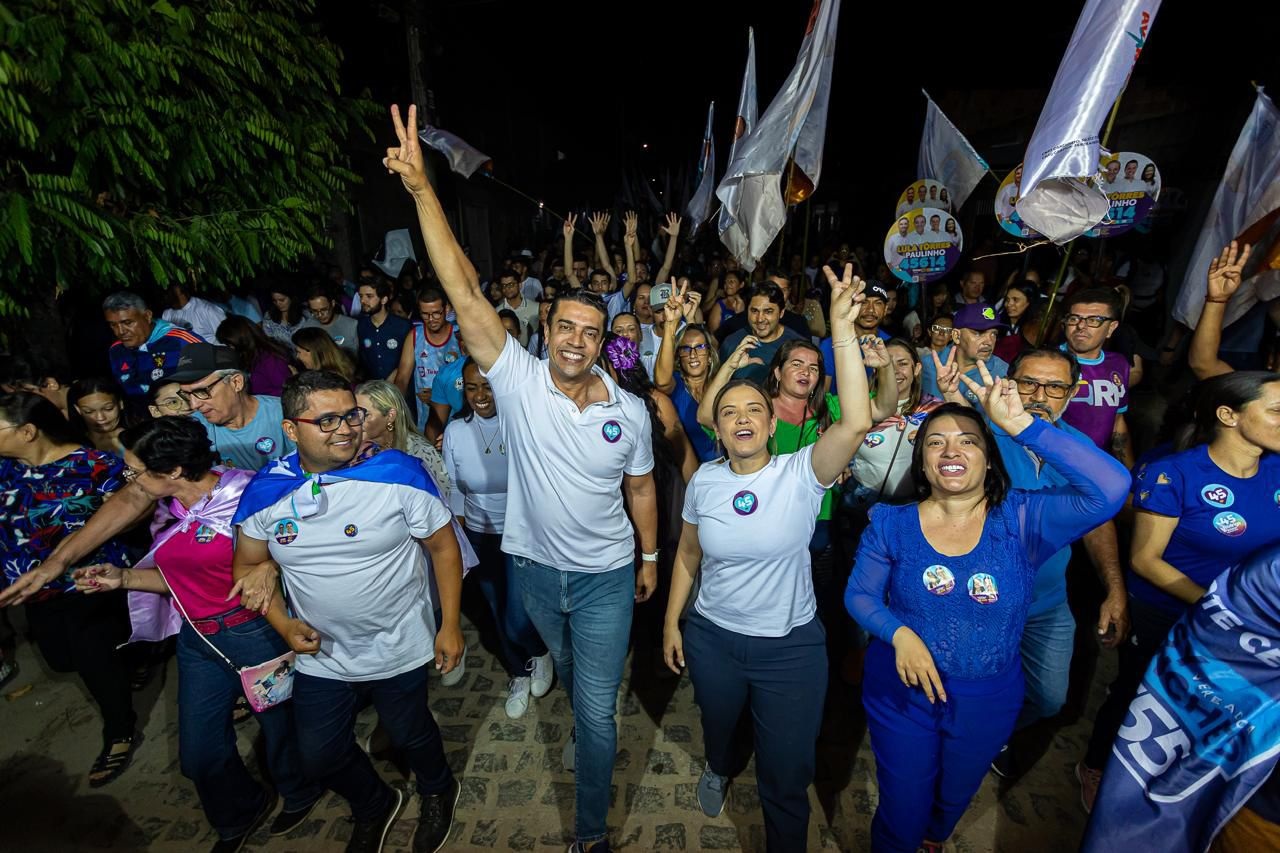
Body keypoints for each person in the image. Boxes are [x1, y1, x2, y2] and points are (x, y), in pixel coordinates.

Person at [384, 103, 659, 853]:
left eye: (590, 331)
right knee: (570, 677)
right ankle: (576, 703)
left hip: (605, 574)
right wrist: (421, 191)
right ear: (545, 332)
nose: (575, 339)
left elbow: (641, 489)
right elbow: (465, 291)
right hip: (535, 570)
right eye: (564, 326)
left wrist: (652, 556)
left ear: (606, 343)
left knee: (596, 712)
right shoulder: (518, 379)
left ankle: (591, 833)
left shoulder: (629, 413)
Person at [845, 367, 1129, 852]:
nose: (951, 450)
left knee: (954, 793)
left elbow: (1110, 488)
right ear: (922, 461)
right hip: (903, 692)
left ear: (991, 460)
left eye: (968, 441)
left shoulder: (1024, 518)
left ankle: (934, 835)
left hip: (988, 696)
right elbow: (861, 596)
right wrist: (900, 635)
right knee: (903, 806)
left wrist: (1023, 427)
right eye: (936, 443)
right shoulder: (891, 522)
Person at [663, 264, 873, 850]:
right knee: (719, 725)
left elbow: (856, 420)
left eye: (754, 409)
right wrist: (671, 621)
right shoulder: (704, 482)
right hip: (713, 638)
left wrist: (840, 331)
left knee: (786, 773)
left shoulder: (802, 473)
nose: (743, 419)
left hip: (791, 649)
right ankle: (718, 764)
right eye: (730, 413)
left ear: (768, 421)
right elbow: (687, 554)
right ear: (720, 430)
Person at [231, 370, 464, 853]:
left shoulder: (398, 474)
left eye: (352, 415)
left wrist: (449, 625)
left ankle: (438, 787)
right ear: (292, 429)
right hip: (321, 652)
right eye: (327, 420)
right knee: (318, 754)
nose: (346, 428)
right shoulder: (267, 492)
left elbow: (444, 548)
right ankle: (375, 802)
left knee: (409, 731)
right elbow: (249, 567)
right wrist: (283, 624)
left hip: (399, 641)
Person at [72, 417, 322, 849]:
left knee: (282, 731)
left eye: (135, 471)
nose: (128, 480)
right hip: (198, 640)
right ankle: (240, 810)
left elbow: (305, 541)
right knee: (199, 753)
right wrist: (125, 579)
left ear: (171, 472)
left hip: (258, 631)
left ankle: (301, 791)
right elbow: (179, 580)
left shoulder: (247, 493)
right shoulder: (168, 511)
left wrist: (271, 564)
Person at [1077, 371, 1280, 812]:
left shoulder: (1278, 469)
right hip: (1170, 615)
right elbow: (1145, 559)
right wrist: (1220, 607)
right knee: (1138, 696)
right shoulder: (1174, 474)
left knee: (1209, 707)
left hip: (1249, 624)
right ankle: (1096, 767)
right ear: (1228, 415)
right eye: (1277, 412)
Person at [969, 349, 1129, 778]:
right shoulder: (978, 435)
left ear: (1073, 392)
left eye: (1055, 386)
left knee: (1049, 697)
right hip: (982, 603)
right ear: (1009, 383)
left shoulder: (1076, 449)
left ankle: (997, 734)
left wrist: (1114, 587)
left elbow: (1099, 519)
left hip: (1047, 604)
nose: (1040, 396)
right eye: (1028, 384)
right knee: (970, 689)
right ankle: (969, 743)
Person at [0, 393, 141, 787]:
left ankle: (119, 730)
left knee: (92, 655)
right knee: (61, 660)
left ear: (27, 431)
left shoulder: (97, 467)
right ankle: (131, 654)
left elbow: (132, 517)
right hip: (30, 588)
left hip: (90, 582)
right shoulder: (5, 470)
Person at [440, 359, 553, 718]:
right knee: (494, 609)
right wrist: (459, 542)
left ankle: (540, 652)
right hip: (478, 535)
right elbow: (454, 491)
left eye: (486, 387)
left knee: (517, 617)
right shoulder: (456, 431)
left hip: (522, 533)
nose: (480, 396)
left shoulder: (519, 423)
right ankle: (518, 673)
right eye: (471, 388)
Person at [167, 343, 296, 471]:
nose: (194, 405)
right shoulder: (193, 429)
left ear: (236, 382)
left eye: (201, 391)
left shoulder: (284, 412)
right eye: (186, 394)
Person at [848, 339, 944, 508]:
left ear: (917, 369)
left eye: (903, 364)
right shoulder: (860, 405)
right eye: (887, 364)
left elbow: (971, 433)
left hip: (912, 503)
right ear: (877, 368)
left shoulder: (933, 409)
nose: (895, 371)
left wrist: (953, 393)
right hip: (861, 498)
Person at [1059, 288, 1135, 465]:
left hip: (1096, 466)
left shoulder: (1118, 364)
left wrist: (1129, 476)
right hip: (1053, 467)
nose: (1081, 326)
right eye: (1074, 318)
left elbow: (1118, 421)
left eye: (1093, 320)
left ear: (1111, 328)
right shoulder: (1046, 363)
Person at [354, 379, 452, 517]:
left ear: (390, 416)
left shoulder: (421, 453)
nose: (356, 423)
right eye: (353, 414)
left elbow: (442, 503)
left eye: (364, 415)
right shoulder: (352, 451)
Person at [104, 291, 204, 406]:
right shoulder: (116, 350)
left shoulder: (182, 341)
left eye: (128, 323)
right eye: (113, 325)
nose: (120, 331)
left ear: (147, 316)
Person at [654, 307, 720, 463]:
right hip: (685, 472)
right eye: (686, 349)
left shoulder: (721, 386)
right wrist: (671, 324)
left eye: (700, 347)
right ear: (678, 357)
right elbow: (662, 382)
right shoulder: (676, 384)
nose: (693, 355)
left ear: (710, 356)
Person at [394, 286, 463, 433]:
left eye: (436, 313)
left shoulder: (459, 336)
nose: (431, 319)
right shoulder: (415, 336)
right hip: (426, 421)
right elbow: (402, 379)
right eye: (425, 314)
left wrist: (439, 396)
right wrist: (396, 411)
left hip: (458, 420)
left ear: (447, 309)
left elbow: (469, 378)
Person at [919, 303, 1010, 404]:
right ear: (956, 336)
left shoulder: (1002, 373)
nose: (989, 342)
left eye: (994, 334)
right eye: (979, 333)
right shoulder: (927, 365)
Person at [717, 282, 804, 385]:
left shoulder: (798, 347)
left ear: (781, 313)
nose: (760, 319)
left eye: (768, 311)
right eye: (754, 311)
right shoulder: (731, 343)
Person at [216, 315, 294, 398]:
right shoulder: (250, 357)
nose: (228, 348)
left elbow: (289, 393)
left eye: (229, 344)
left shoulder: (270, 359)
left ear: (240, 341)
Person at [356, 275, 413, 382]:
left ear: (384, 299)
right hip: (373, 392)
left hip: (400, 391)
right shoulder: (360, 326)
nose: (363, 300)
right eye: (361, 296)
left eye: (369, 296)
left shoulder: (403, 326)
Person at [68, 378, 130, 455]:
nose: (100, 418)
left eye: (108, 408)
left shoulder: (137, 438)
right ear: (78, 410)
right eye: (89, 411)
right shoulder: (73, 446)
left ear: (120, 403)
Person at [300, 284, 359, 355]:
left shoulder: (352, 325)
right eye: (315, 311)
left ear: (333, 303)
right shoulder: (308, 327)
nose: (320, 315)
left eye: (324, 309)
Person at [163, 280, 228, 342]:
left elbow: (226, 337)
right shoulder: (167, 314)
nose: (166, 297)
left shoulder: (207, 310)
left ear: (182, 294)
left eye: (171, 294)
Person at [292, 327, 357, 385]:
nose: (297, 357)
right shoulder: (335, 375)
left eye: (299, 352)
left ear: (312, 352)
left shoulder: (330, 382)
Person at [497, 268, 538, 344]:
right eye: (504, 285)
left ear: (520, 285)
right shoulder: (497, 312)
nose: (507, 288)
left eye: (511, 284)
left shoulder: (536, 308)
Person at [262, 286, 305, 351]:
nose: (278, 303)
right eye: (274, 301)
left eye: (282, 300)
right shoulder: (269, 316)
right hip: (279, 355)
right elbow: (268, 338)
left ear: (291, 298)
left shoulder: (304, 315)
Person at [706, 268, 745, 336]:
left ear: (741, 284)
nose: (727, 285)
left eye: (731, 281)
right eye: (725, 282)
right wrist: (737, 316)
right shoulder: (719, 305)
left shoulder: (747, 304)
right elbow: (714, 335)